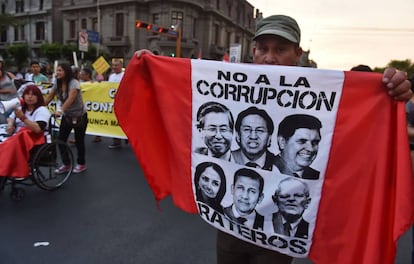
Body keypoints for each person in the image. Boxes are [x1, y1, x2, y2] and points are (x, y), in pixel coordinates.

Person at [135, 14, 412, 264]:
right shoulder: (229, 88)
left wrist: (391, 89)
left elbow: (352, 137)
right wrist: (153, 68)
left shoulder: (322, 92)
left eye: (280, 50)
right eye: (263, 49)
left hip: (277, 241)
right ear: (253, 51)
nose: (269, 58)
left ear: (297, 53)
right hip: (231, 231)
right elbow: (181, 99)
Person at [45, 63, 88, 174]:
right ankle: (66, 164)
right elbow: (49, 97)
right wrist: (37, 107)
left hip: (79, 117)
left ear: (66, 72)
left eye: (60, 70)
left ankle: (81, 163)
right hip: (67, 116)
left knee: (79, 142)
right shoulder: (57, 83)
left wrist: (60, 110)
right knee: (60, 140)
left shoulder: (74, 83)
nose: (57, 73)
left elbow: (71, 97)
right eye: (57, 70)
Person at [274, 114, 322, 179]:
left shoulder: (318, 177)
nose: (310, 149)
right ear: (282, 142)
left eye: (315, 142)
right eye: (302, 141)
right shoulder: (265, 167)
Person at [231, 106, 276, 170]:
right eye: (247, 129)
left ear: (269, 138)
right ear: (238, 135)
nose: (253, 136)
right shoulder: (227, 159)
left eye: (260, 130)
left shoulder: (278, 166)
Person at [108, 59, 125, 149]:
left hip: (123, 102)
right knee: (114, 121)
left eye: (116, 65)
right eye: (113, 65)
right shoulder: (111, 76)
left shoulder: (125, 75)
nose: (114, 67)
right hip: (113, 103)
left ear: (121, 66)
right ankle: (116, 141)